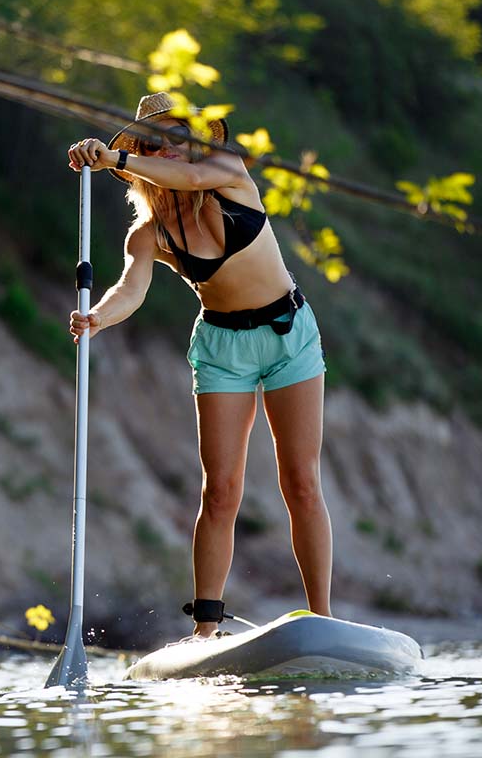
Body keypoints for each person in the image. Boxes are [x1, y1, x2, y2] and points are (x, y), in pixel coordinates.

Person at [66, 92, 332, 640]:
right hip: (222, 348)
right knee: (221, 489)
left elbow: (186, 180)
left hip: (290, 336)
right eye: (153, 143)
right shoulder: (148, 233)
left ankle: (322, 619)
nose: (168, 150)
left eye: (178, 138)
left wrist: (113, 158)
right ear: (143, 152)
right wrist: (97, 318)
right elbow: (129, 290)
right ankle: (205, 631)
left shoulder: (226, 171)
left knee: (300, 482)